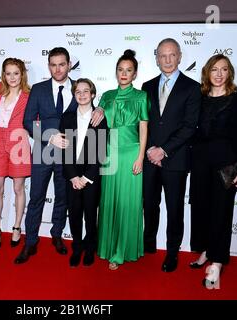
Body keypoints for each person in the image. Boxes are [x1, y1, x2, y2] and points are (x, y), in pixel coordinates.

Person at [189, 54, 237, 287]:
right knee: (201, 210)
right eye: (214, 70)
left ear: (230, 73)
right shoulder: (198, 99)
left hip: (226, 166)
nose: (219, 74)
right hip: (200, 165)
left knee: (221, 212)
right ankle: (207, 251)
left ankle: (218, 261)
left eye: (224, 69)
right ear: (207, 73)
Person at [141, 38, 201, 272]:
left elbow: (189, 126)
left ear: (179, 57)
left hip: (175, 160)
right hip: (148, 159)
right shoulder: (146, 86)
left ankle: (173, 253)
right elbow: (141, 123)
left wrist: (163, 150)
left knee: (175, 208)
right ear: (156, 58)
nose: (167, 60)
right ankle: (148, 245)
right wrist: (148, 150)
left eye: (171, 55)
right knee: (149, 204)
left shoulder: (192, 88)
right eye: (162, 56)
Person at [15, 47, 78, 264]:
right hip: (43, 151)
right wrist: (50, 137)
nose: (58, 69)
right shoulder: (39, 89)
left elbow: (86, 116)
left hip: (68, 154)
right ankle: (30, 242)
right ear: (48, 66)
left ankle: (57, 235)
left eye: (62, 64)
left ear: (69, 64)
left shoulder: (80, 88)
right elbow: (28, 121)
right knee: (36, 198)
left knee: (63, 197)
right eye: (53, 64)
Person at [97, 49, 149, 270]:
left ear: (135, 74)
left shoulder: (141, 96)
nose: (124, 73)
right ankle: (107, 247)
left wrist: (140, 158)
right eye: (120, 70)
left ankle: (121, 251)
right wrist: (98, 108)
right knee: (109, 201)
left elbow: (144, 129)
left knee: (128, 203)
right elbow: (98, 119)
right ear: (116, 72)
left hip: (130, 153)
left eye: (129, 70)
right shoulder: (106, 95)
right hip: (109, 152)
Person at [59, 78, 107, 267]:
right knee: (75, 213)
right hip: (72, 176)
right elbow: (65, 149)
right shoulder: (67, 117)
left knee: (90, 214)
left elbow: (101, 152)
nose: (82, 94)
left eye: (86, 91)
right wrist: (72, 176)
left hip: (90, 176)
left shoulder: (99, 118)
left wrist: (87, 177)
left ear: (93, 94)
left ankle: (89, 249)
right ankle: (77, 248)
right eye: (78, 91)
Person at [0, 58, 31, 250]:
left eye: (16, 73)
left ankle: (16, 227)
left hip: (19, 143)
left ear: (22, 74)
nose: (12, 77)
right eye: (8, 73)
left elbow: (36, 119)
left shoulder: (29, 95)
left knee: (18, 188)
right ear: (3, 75)